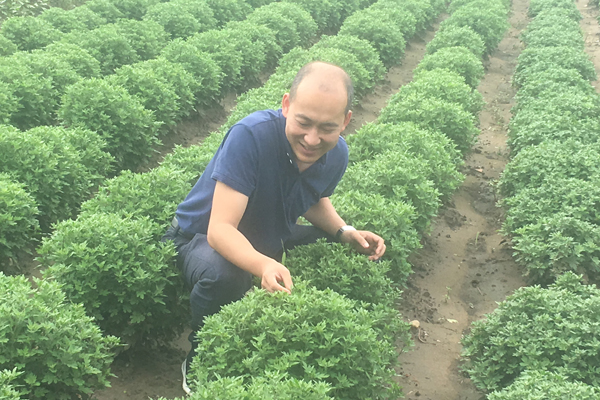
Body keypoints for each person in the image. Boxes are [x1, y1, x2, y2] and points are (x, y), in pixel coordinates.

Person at [162, 61, 386, 395]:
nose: (312, 138)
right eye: (303, 122)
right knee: (228, 275)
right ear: (286, 105)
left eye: (327, 127)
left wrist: (344, 231)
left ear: (346, 121)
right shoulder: (251, 136)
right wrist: (263, 264)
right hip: (198, 236)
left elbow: (311, 198)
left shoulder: (337, 153)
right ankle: (201, 355)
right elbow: (220, 230)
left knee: (331, 243)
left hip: (266, 231)